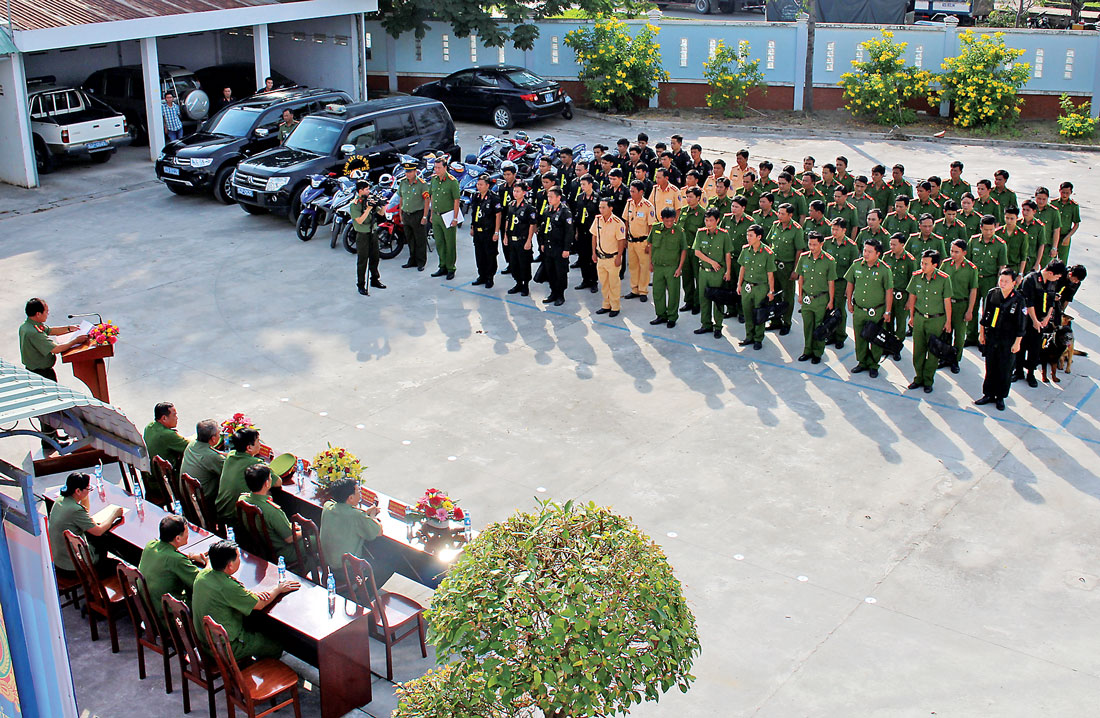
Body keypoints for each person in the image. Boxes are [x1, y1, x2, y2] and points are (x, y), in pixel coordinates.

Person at [192, 540, 298, 659]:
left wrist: (248, 595)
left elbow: (209, 566)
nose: (240, 559)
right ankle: (262, 671)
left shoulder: (202, 576)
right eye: (237, 557)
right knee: (275, 645)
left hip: (205, 642)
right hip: (227, 647)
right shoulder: (227, 587)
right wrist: (278, 589)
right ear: (230, 565)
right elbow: (260, 604)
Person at [19, 298, 88, 449]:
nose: (48, 314)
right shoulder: (33, 332)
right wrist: (75, 340)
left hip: (39, 371)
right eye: (46, 311)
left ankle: (53, 435)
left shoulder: (30, 325)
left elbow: (49, 330)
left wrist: (69, 328)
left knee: (51, 406)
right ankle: (49, 441)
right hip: (41, 373)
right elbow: (55, 349)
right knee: (48, 408)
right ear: (38, 314)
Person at [319, 478, 393, 584]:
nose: (360, 494)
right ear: (350, 497)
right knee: (387, 567)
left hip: (327, 563)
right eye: (358, 491)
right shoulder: (356, 516)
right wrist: (372, 516)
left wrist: (364, 514)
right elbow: (379, 531)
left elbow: (348, 516)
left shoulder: (327, 506)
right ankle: (361, 597)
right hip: (347, 568)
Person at [47, 472, 122, 576]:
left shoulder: (60, 501)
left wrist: (83, 496)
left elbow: (85, 512)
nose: (89, 491)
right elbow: (98, 531)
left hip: (59, 559)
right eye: (88, 489)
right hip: (72, 566)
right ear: (77, 491)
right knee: (106, 545)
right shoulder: (75, 510)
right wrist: (114, 514)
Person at [975, 269, 1027, 410]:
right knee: (990, 366)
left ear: (1014, 283)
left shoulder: (1019, 300)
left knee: (1005, 369)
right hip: (993, 336)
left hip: (1008, 339)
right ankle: (988, 394)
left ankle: (1000, 397)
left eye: (1006, 281)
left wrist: (1017, 343)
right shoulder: (993, 294)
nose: (1002, 284)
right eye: (1001, 280)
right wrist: (982, 334)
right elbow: (985, 316)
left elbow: (1021, 325)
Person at [138, 515, 206, 619]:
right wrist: (208, 563)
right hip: (169, 617)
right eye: (187, 532)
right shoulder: (176, 560)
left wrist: (191, 556)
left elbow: (168, 554)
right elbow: (202, 582)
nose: (188, 535)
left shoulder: (150, 545)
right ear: (178, 538)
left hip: (150, 610)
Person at [844, 238, 894, 379]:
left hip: (876, 311)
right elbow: (850, 284)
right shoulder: (856, 265)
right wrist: (849, 302)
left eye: (869, 251)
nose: (865, 254)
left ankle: (873, 365)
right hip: (859, 309)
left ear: (877, 254)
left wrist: (887, 311)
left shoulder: (884, 270)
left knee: (875, 339)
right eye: (865, 250)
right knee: (860, 337)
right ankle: (862, 362)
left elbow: (888, 291)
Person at [905, 249, 953, 393]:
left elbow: (947, 302)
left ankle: (928, 380)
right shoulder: (916, 277)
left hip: (936, 320)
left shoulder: (944, 279)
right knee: (918, 350)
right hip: (920, 318)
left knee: (933, 352)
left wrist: (948, 321)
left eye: (926, 264)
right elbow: (912, 297)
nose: (923, 266)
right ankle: (918, 378)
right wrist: (912, 317)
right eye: (922, 263)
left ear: (935, 265)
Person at [1017, 260, 1067, 387]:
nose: (1057, 279)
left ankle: (1030, 373)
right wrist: (1034, 321)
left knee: (1035, 347)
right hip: (1026, 318)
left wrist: (1046, 318)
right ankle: (1018, 371)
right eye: (1057, 276)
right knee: (1021, 345)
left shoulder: (1051, 282)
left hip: (1041, 320)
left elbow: (1051, 301)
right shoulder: (1031, 280)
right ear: (1050, 273)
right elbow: (1029, 302)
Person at [238, 465, 301, 563]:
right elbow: (290, 538)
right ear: (267, 483)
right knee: (316, 538)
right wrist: (304, 531)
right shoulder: (271, 510)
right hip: (282, 552)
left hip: (259, 546)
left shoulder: (242, 500)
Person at [794, 231, 837, 364]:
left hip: (821, 299)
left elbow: (831, 282)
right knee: (807, 326)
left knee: (819, 327)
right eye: (810, 244)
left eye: (814, 244)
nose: (811, 247)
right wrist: (800, 294)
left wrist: (831, 300)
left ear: (821, 244)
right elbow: (801, 278)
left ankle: (818, 352)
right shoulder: (803, 257)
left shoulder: (829, 261)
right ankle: (807, 350)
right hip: (807, 298)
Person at [763, 203, 805, 335]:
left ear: (790, 215)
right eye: (779, 213)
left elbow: (799, 250)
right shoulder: (776, 225)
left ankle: (786, 322)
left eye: (782, 213)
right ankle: (775, 321)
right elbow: (770, 243)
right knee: (773, 293)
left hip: (787, 267)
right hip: (774, 265)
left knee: (787, 296)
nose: (779, 216)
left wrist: (795, 270)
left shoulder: (796, 229)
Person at [966, 215, 1008, 345]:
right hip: (975, 279)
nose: (988, 232)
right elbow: (968, 261)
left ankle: (984, 337)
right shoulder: (973, 241)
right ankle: (971, 336)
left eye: (991, 229)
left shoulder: (1000, 245)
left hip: (990, 280)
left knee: (987, 310)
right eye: (986, 229)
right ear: (981, 228)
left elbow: (1002, 266)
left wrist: (999, 284)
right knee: (972, 307)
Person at [693, 208, 734, 339]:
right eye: (706, 220)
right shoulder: (700, 233)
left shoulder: (724, 234)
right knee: (703, 299)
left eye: (711, 220)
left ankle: (718, 327)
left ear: (717, 220)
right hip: (704, 272)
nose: (708, 223)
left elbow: (728, 254)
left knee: (718, 300)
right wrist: (711, 262)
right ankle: (706, 324)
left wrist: (728, 271)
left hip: (718, 273)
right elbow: (697, 252)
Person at [939, 238, 978, 373]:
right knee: (945, 333)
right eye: (951, 251)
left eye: (956, 252)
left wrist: (970, 310)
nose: (953, 254)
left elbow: (973, 290)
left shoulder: (971, 268)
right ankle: (945, 357)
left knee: (959, 336)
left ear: (964, 253)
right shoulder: (945, 264)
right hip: (946, 304)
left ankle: (955, 360)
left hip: (961, 305)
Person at [736, 224, 776, 350]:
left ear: (759, 237)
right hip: (747, 286)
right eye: (747, 235)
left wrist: (771, 291)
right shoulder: (745, 250)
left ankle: (758, 338)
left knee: (759, 313)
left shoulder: (767, 253)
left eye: (751, 235)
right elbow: (742, 268)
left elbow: (770, 274)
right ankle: (749, 336)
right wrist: (739, 284)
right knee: (747, 312)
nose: (748, 238)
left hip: (760, 287)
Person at [648, 208, 688, 329]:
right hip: (658, 266)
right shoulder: (655, 229)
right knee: (658, 292)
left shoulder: (679, 231)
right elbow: (650, 245)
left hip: (672, 267)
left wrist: (679, 268)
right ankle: (661, 315)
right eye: (667, 221)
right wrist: (650, 262)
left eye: (672, 220)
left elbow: (683, 250)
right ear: (662, 219)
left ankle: (672, 317)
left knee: (673, 293)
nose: (669, 223)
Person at [215, 427, 264, 522]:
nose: (260, 444)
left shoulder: (231, 455)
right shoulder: (255, 464)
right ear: (249, 447)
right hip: (235, 518)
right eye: (258, 441)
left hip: (220, 510)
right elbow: (278, 482)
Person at [824, 219, 858, 349]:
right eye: (832, 229)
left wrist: (850, 289)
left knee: (839, 310)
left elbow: (853, 269)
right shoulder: (827, 243)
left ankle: (840, 336)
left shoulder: (851, 246)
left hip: (841, 282)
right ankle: (830, 334)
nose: (834, 232)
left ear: (844, 230)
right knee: (828, 309)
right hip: (827, 282)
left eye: (837, 229)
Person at [592, 198, 628, 318]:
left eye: (604, 207)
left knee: (614, 284)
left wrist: (619, 257)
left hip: (612, 258)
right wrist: (593, 253)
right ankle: (606, 305)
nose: (601, 210)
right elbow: (594, 236)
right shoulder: (597, 220)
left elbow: (621, 241)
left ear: (610, 208)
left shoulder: (618, 223)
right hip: (601, 258)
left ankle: (615, 306)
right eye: (600, 207)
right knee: (604, 283)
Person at [882, 232, 917, 354]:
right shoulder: (886, 257)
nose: (891, 247)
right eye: (890, 244)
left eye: (894, 244)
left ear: (902, 245)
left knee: (901, 324)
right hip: (888, 294)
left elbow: (913, 282)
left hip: (902, 296)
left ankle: (897, 347)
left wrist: (909, 301)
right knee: (888, 321)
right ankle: (888, 345)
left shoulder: (910, 260)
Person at [623, 181, 657, 302]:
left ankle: (643, 290)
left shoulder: (648, 206)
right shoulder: (629, 203)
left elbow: (651, 227)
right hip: (631, 241)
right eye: (630, 191)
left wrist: (649, 244)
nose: (631, 193)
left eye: (634, 191)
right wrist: (625, 238)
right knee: (633, 266)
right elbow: (626, 221)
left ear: (641, 192)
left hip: (643, 242)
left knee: (644, 267)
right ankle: (634, 289)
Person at [427, 160, 461, 279]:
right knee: (439, 242)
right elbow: (432, 197)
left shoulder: (452, 182)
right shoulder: (434, 180)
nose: (436, 170)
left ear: (445, 167)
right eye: (435, 168)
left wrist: (455, 218)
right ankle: (442, 266)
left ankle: (451, 268)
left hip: (447, 216)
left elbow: (456, 200)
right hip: (436, 216)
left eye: (439, 168)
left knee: (449, 243)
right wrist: (431, 214)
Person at [350, 180, 384, 296]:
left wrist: (381, 204)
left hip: (373, 232)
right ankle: (361, 284)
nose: (369, 191)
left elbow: (381, 213)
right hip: (362, 234)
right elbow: (359, 220)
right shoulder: (355, 204)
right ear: (360, 191)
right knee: (362, 260)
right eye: (366, 189)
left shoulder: (369, 200)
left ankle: (375, 279)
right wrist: (368, 209)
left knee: (375, 257)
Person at [540, 188, 573, 307]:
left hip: (559, 247)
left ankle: (560, 295)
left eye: (551, 197)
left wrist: (567, 249)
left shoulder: (565, 212)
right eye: (548, 197)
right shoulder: (547, 210)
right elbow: (543, 228)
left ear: (559, 197)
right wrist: (542, 243)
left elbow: (569, 232)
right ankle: (553, 292)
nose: (549, 199)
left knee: (560, 272)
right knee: (550, 271)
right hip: (549, 246)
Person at [676, 187, 707, 316]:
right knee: (687, 277)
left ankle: (697, 303)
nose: (688, 199)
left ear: (698, 198)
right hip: (685, 250)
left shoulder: (703, 213)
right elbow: (678, 230)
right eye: (687, 197)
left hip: (696, 251)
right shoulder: (683, 211)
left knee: (698, 278)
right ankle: (688, 300)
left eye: (691, 197)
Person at [503, 180, 537, 296]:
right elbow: (508, 220)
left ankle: (525, 285)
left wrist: (529, 241)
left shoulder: (529, 208)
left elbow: (532, 225)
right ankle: (518, 283)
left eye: (518, 191)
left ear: (524, 193)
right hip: (512, 239)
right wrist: (505, 236)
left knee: (524, 263)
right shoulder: (511, 205)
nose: (515, 193)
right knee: (514, 263)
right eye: (514, 191)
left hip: (522, 239)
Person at [469, 173, 502, 288]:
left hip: (489, 231)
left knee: (490, 255)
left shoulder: (494, 198)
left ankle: (489, 277)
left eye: (481, 184)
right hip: (478, 231)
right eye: (478, 184)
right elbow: (474, 214)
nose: (479, 186)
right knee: (479, 254)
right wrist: (472, 227)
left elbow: (498, 215)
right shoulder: (476, 197)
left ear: (487, 185)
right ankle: (481, 275)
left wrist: (496, 232)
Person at [180, 419, 226, 501]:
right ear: (213, 439)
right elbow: (229, 473)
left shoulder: (192, 444)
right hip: (203, 501)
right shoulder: (212, 457)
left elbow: (211, 451)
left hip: (187, 496)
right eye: (218, 433)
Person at [572, 174, 601, 292]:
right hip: (582, 230)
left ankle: (593, 281)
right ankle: (585, 280)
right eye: (581, 184)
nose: (582, 187)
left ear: (590, 184)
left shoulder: (597, 198)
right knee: (583, 257)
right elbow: (577, 214)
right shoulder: (579, 198)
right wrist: (577, 232)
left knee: (592, 257)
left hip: (593, 232)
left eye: (584, 184)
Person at [143, 402, 188, 474]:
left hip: (151, 474)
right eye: (174, 415)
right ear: (164, 418)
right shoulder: (167, 434)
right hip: (165, 479)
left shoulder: (149, 426)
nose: (177, 418)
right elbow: (190, 447)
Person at [1051, 181, 1080, 263]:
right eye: (1063, 192)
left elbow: (1076, 224)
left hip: (1064, 236)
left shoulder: (1074, 206)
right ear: (1059, 191)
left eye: (1067, 193)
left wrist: (1068, 236)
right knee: (1050, 260)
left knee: (1062, 262)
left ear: (1071, 192)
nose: (1064, 195)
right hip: (1052, 236)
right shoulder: (1053, 203)